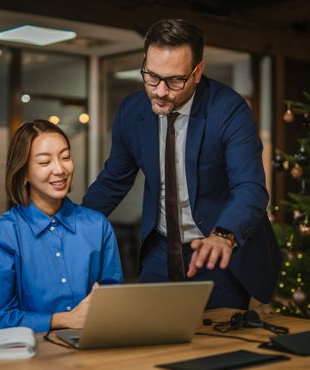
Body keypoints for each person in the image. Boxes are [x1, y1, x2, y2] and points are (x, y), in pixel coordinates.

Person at [83, 19, 282, 309]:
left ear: (198, 71)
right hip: (160, 251)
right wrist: (68, 224)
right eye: (151, 76)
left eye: (175, 80)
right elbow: (113, 181)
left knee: (218, 344)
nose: (160, 91)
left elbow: (250, 188)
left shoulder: (228, 109)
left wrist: (224, 235)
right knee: (150, 339)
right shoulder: (131, 112)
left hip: (215, 250)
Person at [0, 119, 123, 333]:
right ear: (24, 172)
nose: (60, 169)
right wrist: (64, 320)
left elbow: (113, 299)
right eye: (45, 162)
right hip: (30, 356)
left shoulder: (97, 226)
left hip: (93, 347)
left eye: (65, 157)